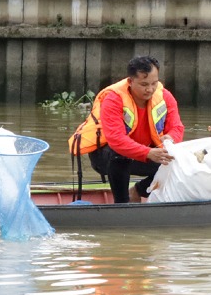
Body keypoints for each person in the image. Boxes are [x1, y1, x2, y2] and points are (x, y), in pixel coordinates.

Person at [70, 55, 185, 203]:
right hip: (106, 156)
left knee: (177, 161)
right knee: (120, 156)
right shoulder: (113, 99)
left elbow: (177, 127)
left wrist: (171, 137)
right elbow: (116, 140)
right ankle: (122, 203)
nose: (150, 89)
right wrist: (148, 152)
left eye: (154, 83)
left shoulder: (165, 96)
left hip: (146, 153)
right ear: (130, 81)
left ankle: (138, 190)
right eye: (144, 84)